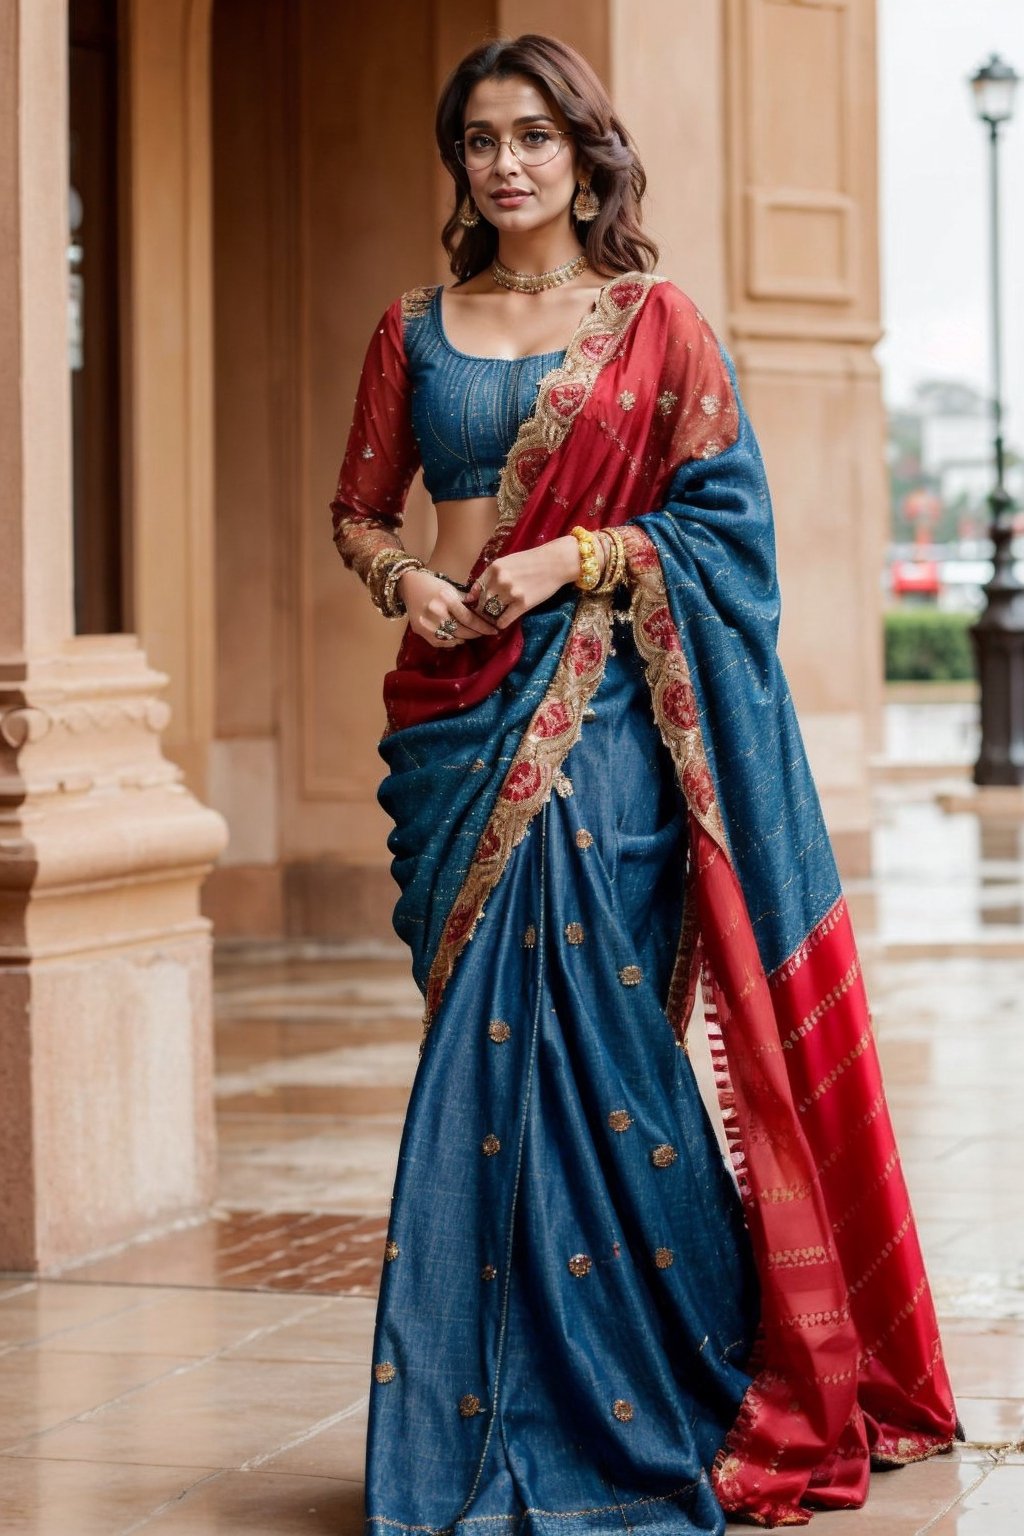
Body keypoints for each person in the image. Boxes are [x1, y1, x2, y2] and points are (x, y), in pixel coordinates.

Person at [329, 33, 959, 1534]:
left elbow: (728, 533)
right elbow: (359, 510)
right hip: (459, 719)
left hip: (607, 727)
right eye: (480, 138)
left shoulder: (657, 325)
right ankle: (479, 1413)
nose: (505, 163)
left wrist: (575, 554)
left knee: (604, 1050)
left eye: (533, 134)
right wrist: (408, 579)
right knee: (483, 1060)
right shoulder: (412, 330)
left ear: (584, 152)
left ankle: (681, 1383)